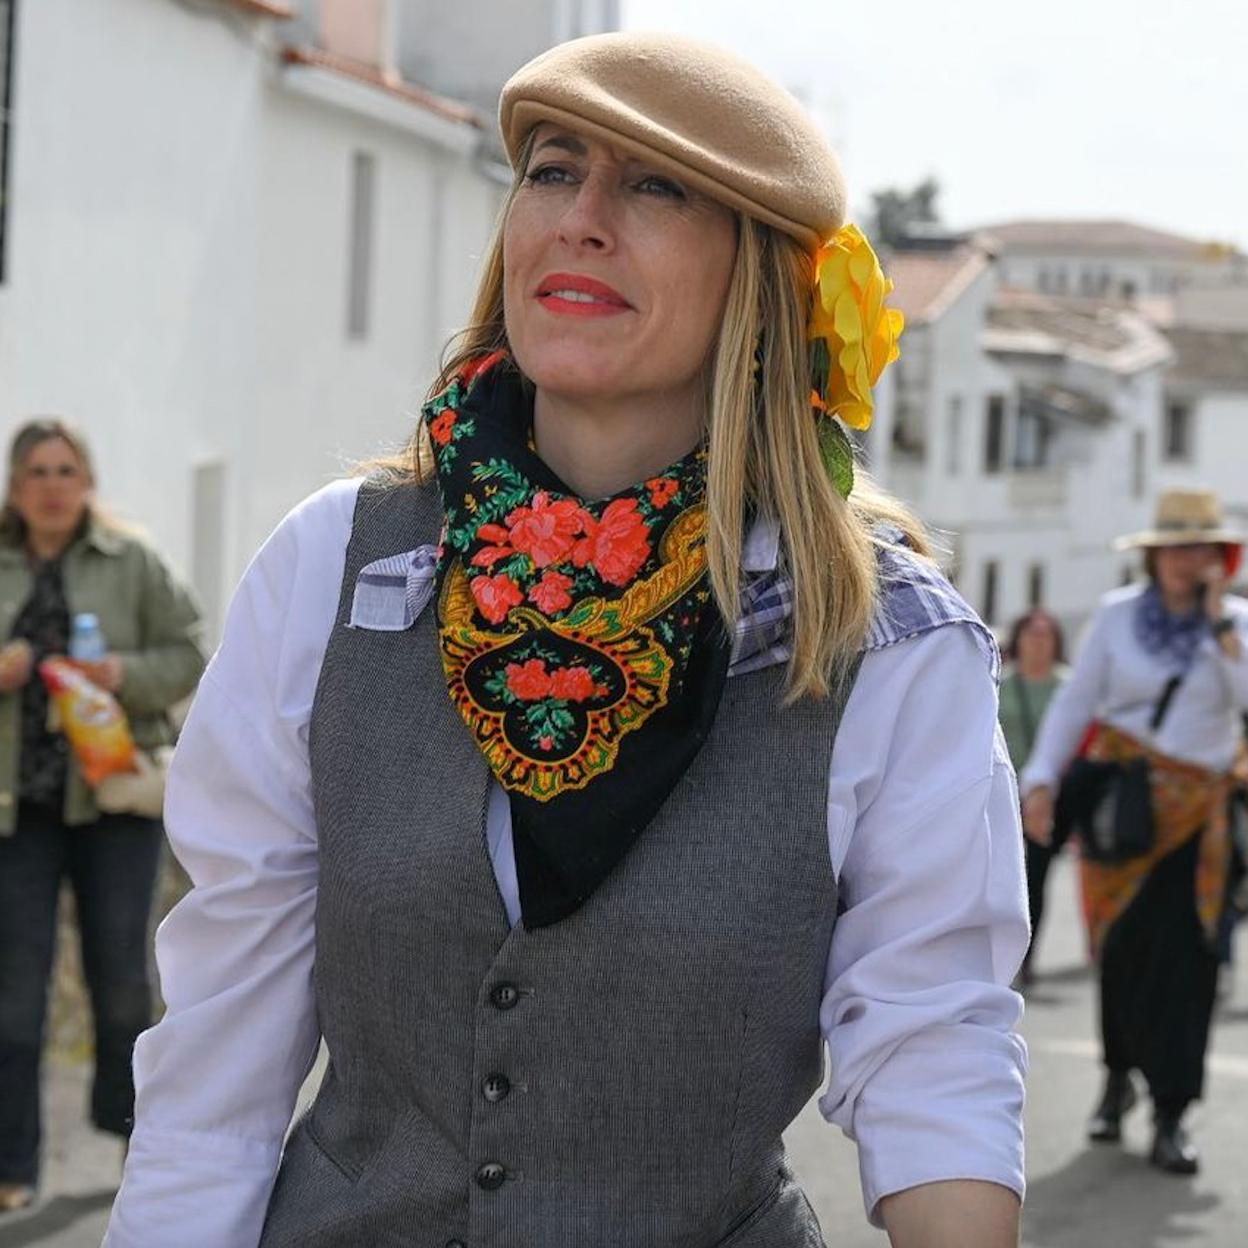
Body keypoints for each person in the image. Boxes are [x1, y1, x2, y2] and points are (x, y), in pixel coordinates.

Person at [105, 33, 1027, 1247]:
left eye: (656, 186)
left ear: (761, 274)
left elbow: (934, 1046)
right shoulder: (340, 568)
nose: (582, 220)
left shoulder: (885, 639)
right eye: (552, 170)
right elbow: (220, 1052)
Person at [0, 419, 206, 1213]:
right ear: (16, 487)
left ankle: (132, 1146)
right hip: (17, 813)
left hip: (114, 801)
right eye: (37, 471)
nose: (53, 486)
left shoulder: (134, 561)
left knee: (122, 983)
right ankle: (13, 1168)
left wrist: (121, 673)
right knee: (14, 993)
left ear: (86, 481)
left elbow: (188, 652)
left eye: (66, 470)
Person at [1021, 488, 1248, 1175]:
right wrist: (1041, 778)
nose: (1184, 559)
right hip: (1120, 808)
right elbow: (1076, 702)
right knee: (1118, 953)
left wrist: (1220, 629)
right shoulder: (1118, 616)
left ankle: (1172, 1112)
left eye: (1198, 548)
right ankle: (1117, 1080)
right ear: (1153, 556)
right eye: (1173, 547)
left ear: (1217, 559)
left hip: (1197, 822)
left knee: (1189, 965)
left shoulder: (1235, 626)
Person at [998, 608, 1069, 987]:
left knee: (1036, 879)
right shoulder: (1000, 682)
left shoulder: (1068, 687)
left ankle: (1026, 957)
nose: (1038, 642)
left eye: (1046, 634)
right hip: (1004, 796)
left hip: (1050, 798)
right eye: (1032, 633)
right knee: (1003, 875)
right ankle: (1000, 953)